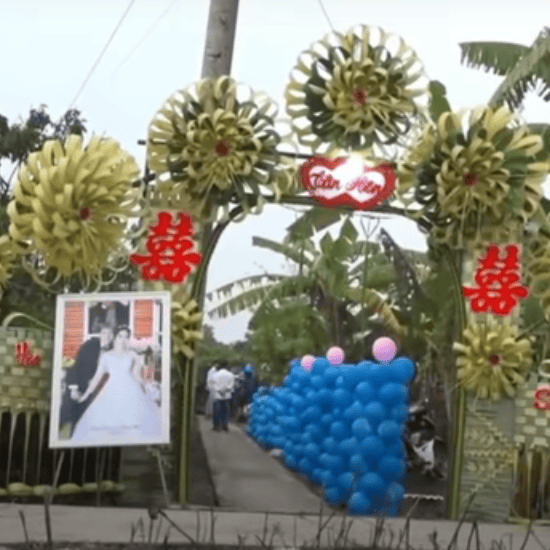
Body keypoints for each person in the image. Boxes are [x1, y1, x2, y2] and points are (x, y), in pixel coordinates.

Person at [71, 325, 162, 442]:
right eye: (120, 336)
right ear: (115, 337)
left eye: (126, 336)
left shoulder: (132, 354)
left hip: (131, 389)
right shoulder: (106, 356)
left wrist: (148, 386)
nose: (123, 339)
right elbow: (96, 378)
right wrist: (84, 396)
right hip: (111, 389)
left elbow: (137, 376)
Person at [59, 324, 115, 436]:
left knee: (88, 424)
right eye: (104, 333)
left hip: (99, 392)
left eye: (110, 333)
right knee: (68, 417)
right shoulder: (89, 345)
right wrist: (74, 389)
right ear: (100, 334)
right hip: (81, 388)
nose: (107, 336)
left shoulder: (113, 350)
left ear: (113, 336)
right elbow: (76, 366)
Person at [210, 360, 235, 432]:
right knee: (226, 411)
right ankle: (225, 425)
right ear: (226, 366)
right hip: (226, 395)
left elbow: (213, 385)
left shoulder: (215, 375)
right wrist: (225, 390)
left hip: (218, 395)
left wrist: (219, 390)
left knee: (217, 411)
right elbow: (231, 385)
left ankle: (216, 426)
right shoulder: (230, 375)